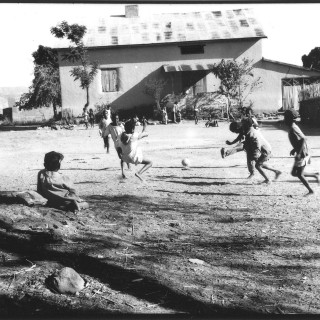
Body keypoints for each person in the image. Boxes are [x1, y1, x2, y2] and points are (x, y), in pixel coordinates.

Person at [284, 109, 320, 195]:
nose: (284, 119)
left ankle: (311, 190)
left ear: (290, 119)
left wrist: (299, 153)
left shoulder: (293, 128)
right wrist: (294, 149)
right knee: (294, 173)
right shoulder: (293, 126)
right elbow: (299, 140)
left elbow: (303, 139)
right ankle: (314, 175)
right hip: (301, 152)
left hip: (302, 154)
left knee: (299, 174)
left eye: (286, 118)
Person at [243, 118, 282, 184]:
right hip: (266, 148)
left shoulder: (250, 132)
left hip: (264, 150)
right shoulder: (253, 130)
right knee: (260, 164)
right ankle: (276, 171)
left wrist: (255, 153)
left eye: (244, 124)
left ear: (246, 125)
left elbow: (257, 143)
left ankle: (267, 179)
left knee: (257, 165)